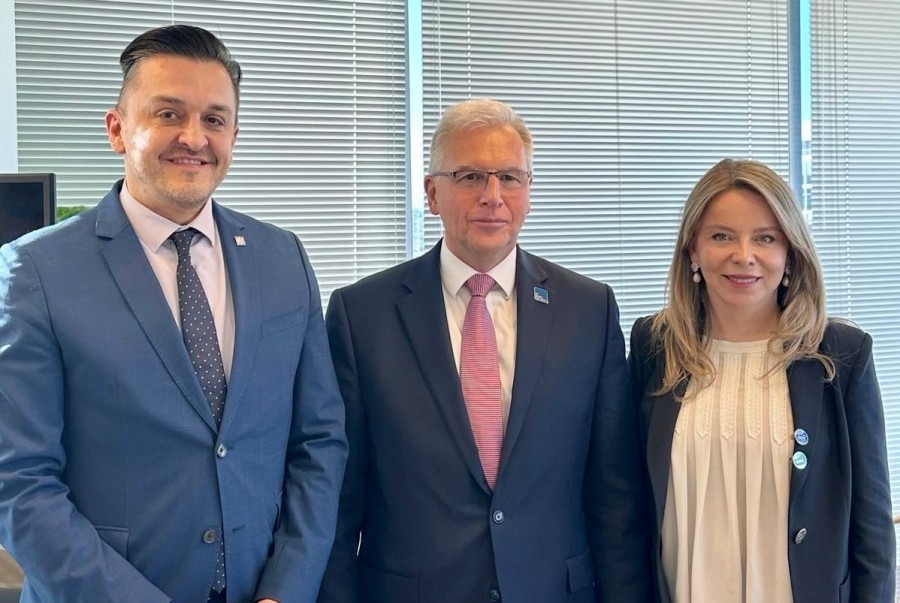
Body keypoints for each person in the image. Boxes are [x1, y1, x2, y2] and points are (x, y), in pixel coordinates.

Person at [0, 25, 347, 603]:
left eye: (214, 119)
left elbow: (319, 443)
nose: (194, 137)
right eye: (168, 114)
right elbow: (18, 481)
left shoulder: (282, 257)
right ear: (117, 129)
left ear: (234, 134)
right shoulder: (36, 270)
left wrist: (285, 588)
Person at [317, 98, 652, 603]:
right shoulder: (361, 315)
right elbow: (339, 506)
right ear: (432, 193)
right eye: (470, 176)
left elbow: (615, 498)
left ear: (529, 192)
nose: (493, 197)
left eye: (510, 178)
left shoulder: (589, 310)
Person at [629, 158, 895, 603]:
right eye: (721, 236)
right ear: (692, 249)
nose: (743, 255)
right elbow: (627, 505)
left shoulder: (841, 354)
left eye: (765, 238)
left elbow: (872, 531)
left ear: (790, 252)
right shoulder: (654, 347)